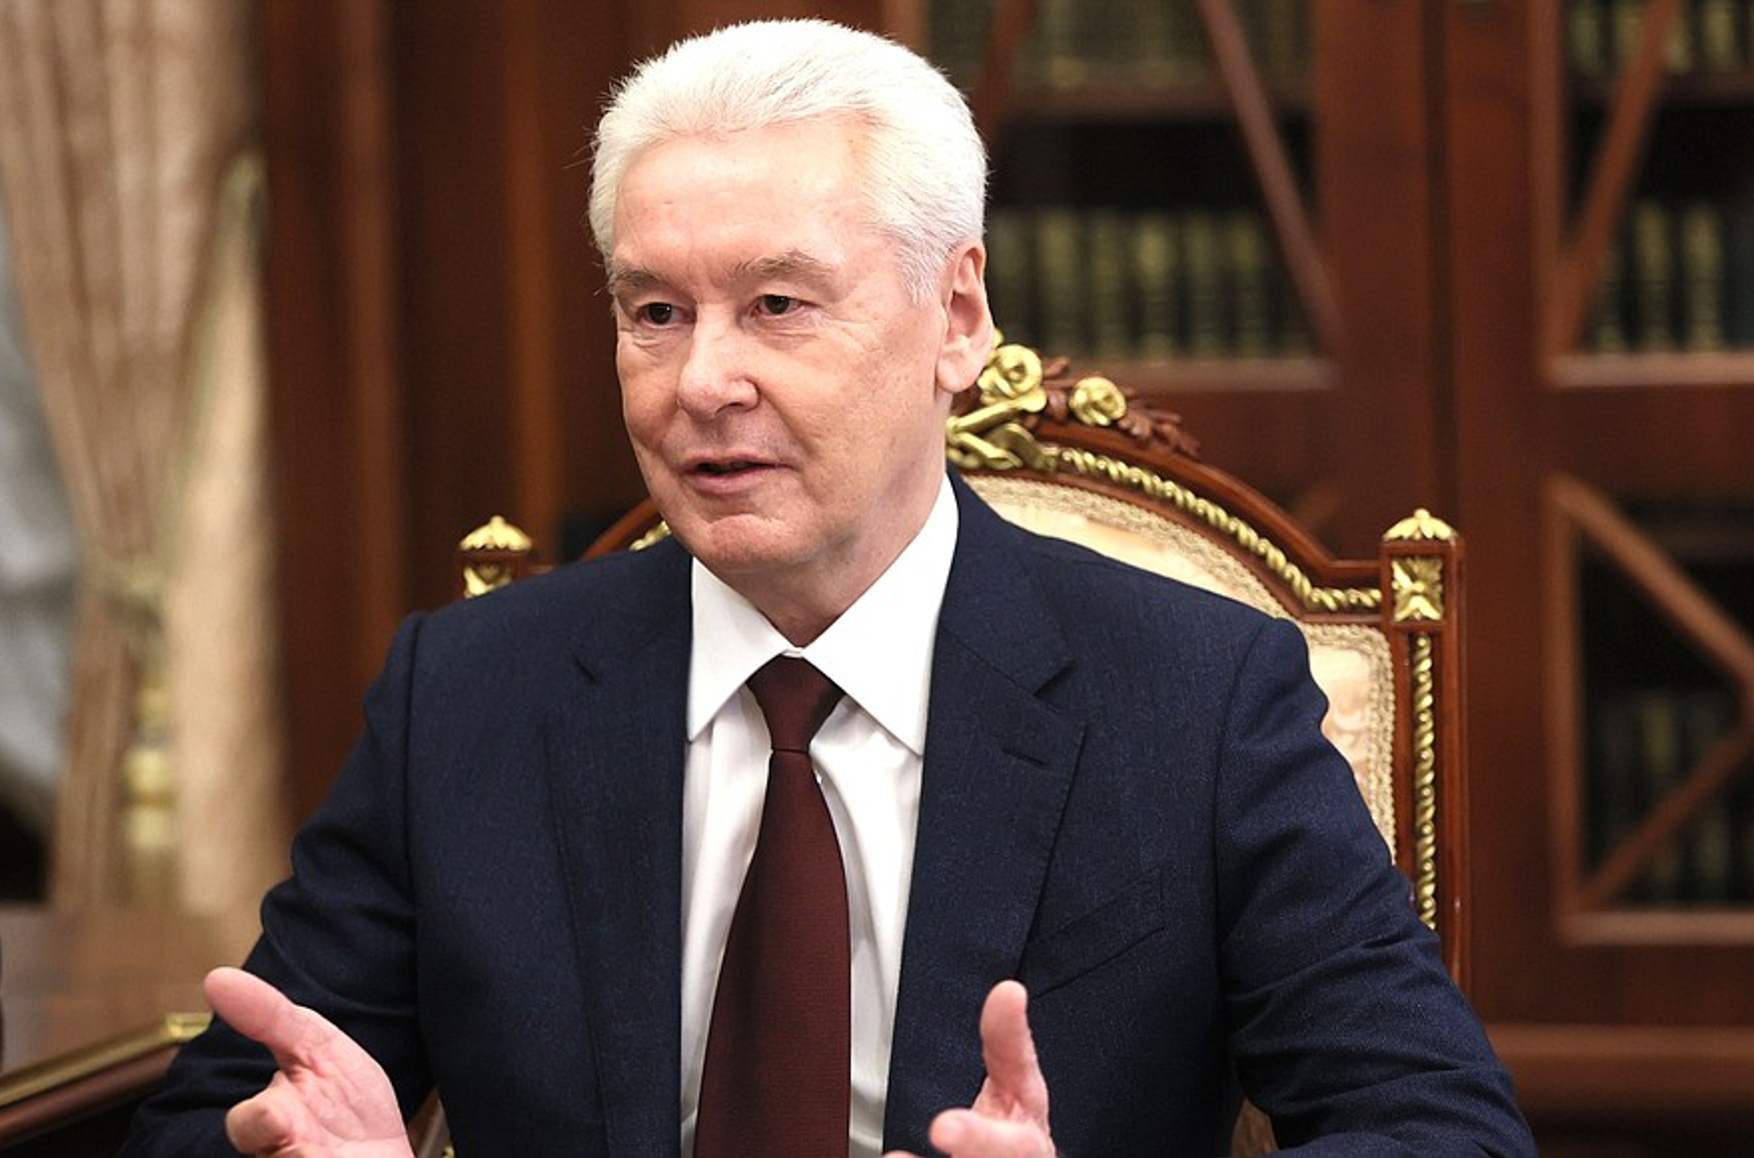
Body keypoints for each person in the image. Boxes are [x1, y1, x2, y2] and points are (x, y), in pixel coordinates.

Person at [124, 18, 1534, 1158]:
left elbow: (1440, 1126)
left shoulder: (1193, 700)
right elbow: (219, 1116)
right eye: (654, 312)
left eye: (778, 306)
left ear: (956, 316)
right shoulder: (468, 697)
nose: (702, 382)